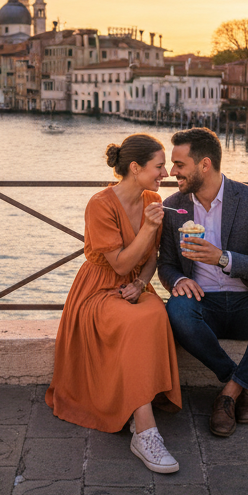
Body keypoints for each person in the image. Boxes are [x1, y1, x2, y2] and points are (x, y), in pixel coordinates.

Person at [46, 134, 182, 473]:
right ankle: (146, 431)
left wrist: (140, 283)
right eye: (159, 166)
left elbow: (150, 258)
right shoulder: (100, 204)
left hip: (134, 286)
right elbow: (120, 263)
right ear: (135, 168)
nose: (165, 172)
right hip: (98, 290)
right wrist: (149, 228)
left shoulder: (152, 197)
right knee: (134, 322)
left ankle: (139, 418)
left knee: (154, 313)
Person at [158, 127, 248, 438]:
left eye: (179, 164)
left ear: (204, 165)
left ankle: (230, 393)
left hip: (247, 305)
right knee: (176, 309)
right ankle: (240, 385)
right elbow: (165, 264)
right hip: (201, 306)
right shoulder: (174, 207)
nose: (172, 171)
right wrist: (179, 279)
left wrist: (223, 258)